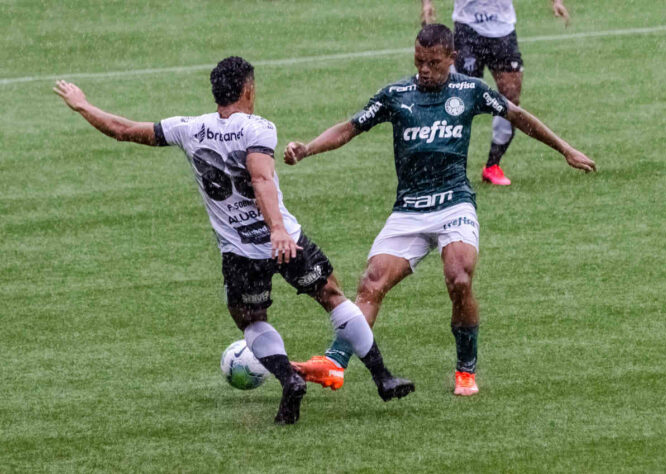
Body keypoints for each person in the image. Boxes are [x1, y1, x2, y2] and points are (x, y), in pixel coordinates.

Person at [53, 56, 414, 425]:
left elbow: (123, 129)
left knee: (251, 319)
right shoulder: (258, 128)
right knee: (332, 297)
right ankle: (382, 376)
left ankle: (289, 378)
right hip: (286, 240)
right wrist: (276, 229)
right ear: (247, 89)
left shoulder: (188, 128)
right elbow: (260, 179)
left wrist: (83, 105)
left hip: (240, 253)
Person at [284, 25, 594, 396]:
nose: (425, 70)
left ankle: (465, 370)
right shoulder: (396, 95)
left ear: (452, 58)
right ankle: (335, 364)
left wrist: (565, 149)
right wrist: (307, 149)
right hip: (409, 210)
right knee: (371, 283)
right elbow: (349, 128)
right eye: (419, 61)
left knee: (459, 278)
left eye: (433, 63)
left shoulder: (470, 90)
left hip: (454, 204)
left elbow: (518, 116)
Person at [421, 0, 571, 185]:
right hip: (468, 29)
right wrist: (427, 4)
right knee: (458, 99)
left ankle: (492, 166)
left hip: (502, 31)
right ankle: (440, 168)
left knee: (511, 98)